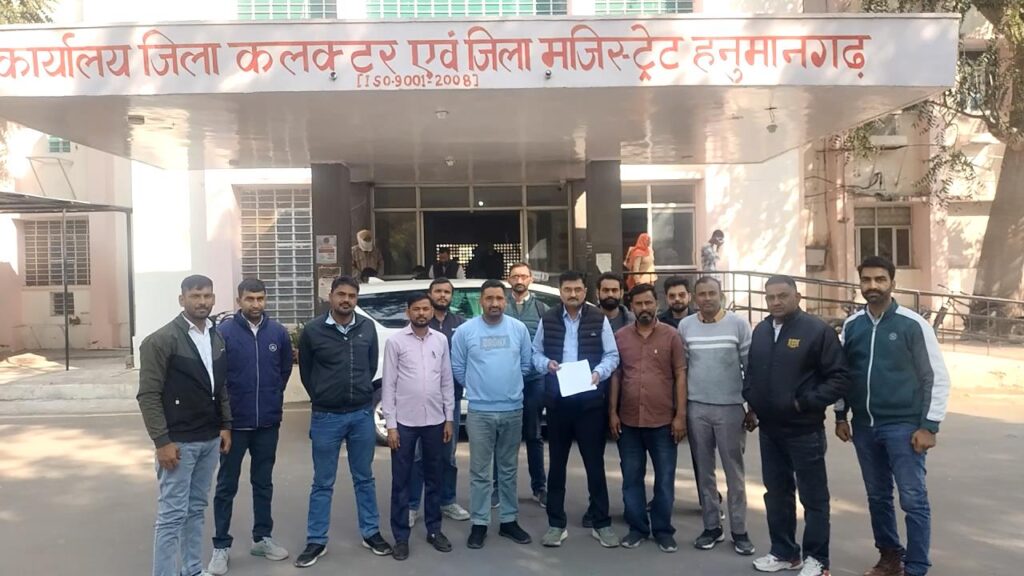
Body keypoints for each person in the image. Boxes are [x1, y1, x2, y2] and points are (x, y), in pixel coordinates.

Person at [835, 256, 951, 576]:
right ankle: (889, 558)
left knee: (913, 498)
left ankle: (916, 566)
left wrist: (930, 426)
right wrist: (841, 415)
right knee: (877, 496)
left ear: (892, 284)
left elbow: (935, 377)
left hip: (904, 426)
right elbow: (843, 374)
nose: (872, 285)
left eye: (880, 279)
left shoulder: (912, 324)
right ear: (860, 283)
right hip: (864, 426)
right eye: (866, 279)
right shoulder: (852, 325)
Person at [744, 275, 850, 576]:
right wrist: (751, 398)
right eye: (770, 297)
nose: (776, 302)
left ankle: (818, 559)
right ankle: (784, 552)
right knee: (776, 494)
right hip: (770, 430)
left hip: (805, 430)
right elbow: (752, 371)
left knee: (813, 498)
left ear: (797, 297)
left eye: (782, 295)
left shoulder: (817, 331)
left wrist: (804, 403)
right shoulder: (762, 330)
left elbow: (840, 377)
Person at [137, 274, 232, 576]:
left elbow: (220, 385)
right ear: (182, 300)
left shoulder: (215, 336)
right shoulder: (161, 340)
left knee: (196, 509)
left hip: (209, 439)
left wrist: (225, 424)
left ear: (213, 298)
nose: (202, 302)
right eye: (195, 296)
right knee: (172, 516)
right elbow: (148, 395)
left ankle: (192, 569)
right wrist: (162, 441)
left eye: (207, 296)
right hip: (178, 443)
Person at [295, 276, 393, 568]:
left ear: (356, 299)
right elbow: (306, 372)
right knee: (322, 482)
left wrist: (359, 393)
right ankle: (316, 540)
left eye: (351, 295)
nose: (346, 300)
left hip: (361, 415)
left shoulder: (366, 327)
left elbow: (371, 365)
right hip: (326, 417)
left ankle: (371, 533)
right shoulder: (313, 330)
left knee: (364, 478)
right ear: (331, 296)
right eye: (341, 294)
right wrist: (322, 396)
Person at [208, 279, 293, 575]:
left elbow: (284, 370)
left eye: (260, 298)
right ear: (239, 300)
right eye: (250, 299)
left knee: (263, 482)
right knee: (226, 486)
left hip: (267, 423)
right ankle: (221, 546)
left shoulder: (278, 333)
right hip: (234, 425)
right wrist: (224, 422)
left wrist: (272, 397)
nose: (256, 304)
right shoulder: (224, 333)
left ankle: (262, 538)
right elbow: (217, 379)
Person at [533, 270, 621, 549]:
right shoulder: (548, 319)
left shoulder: (598, 318)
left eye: (578, 289)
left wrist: (599, 373)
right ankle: (556, 524)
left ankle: (601, 523)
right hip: (558, 403)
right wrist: (546, 364)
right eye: (568, 289)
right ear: (560, 292)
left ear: (585, 291)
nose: (573, 294)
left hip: (589, 404)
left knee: (594, 465)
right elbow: (535, 353)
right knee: (557, 465)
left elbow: (612, 355)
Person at [451, 279, 534, 550]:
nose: (494, 303)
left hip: (512, 410)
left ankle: (509, 520)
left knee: (508, 469)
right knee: (480, 471)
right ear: (481, 301)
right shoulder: (465, 332)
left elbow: (525, 365)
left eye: (499, 298)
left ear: (506, 300)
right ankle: (480, 522)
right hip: (480, 412)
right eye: (489, 298)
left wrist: (508, 388)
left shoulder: (519, 329)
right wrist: (479, 389)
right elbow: (458, 368)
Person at [678, 276, 755, 556]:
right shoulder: (685, 326)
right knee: (704, 471)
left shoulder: (738, 324)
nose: (707, 298)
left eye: (712, 293)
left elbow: (751, 367)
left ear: (721, 295)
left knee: (734, 472)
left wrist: (752, 408)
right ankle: (711, 527)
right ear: (694, 297)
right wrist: (681, 410)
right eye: (702, 294)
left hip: (730, 408)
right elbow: (683, 369)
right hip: (697, 407)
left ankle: (739, 530)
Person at [608, 283, 687, 553]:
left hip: (663, 421)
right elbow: (616, 375)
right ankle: (638, 528)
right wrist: (612, 412)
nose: (644, 308)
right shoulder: (620, 336)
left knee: (664, 479)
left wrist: (680, 415)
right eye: (639, 304)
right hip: (628, 421)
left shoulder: (671, 336)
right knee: (631, 478)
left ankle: (663, 530)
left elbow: (680, 374)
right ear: (631, 307)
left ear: (657, 304)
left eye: (648, 303)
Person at [383, 292, 457, 561]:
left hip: (436, 421)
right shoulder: (395, 342)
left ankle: (434, 530)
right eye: (416, 309)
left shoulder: (441, 340)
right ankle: (401, 537)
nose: (422, 313)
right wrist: (391, 425)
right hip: (405, 422)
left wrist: (449, 417)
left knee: (435, 477)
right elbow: (388, 384)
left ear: (431, 311)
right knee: (401, 480)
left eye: (425, 309)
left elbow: (447, 380)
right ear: (408, 312)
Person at [407, 278, 472, 526]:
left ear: (451, 296)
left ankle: (447, 501)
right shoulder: (421, 320)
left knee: (448, 455)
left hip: (450, 399)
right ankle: (412, 505)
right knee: (417, 456)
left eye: (447, 292)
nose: (442, 295)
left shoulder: (461, 324)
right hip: (420, 401)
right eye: (438, 291)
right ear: (430, 294)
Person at [504, 262, 549, 508]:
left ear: (531, 279)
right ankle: (500, 488)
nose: (519, 280)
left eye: (523, 276)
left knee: (533, 434)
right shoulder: (501, 305)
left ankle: (539, 487)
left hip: (533, 379)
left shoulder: (542, 308)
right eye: (515, 276)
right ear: (508, 279)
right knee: (504, 437)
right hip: (505, 380)